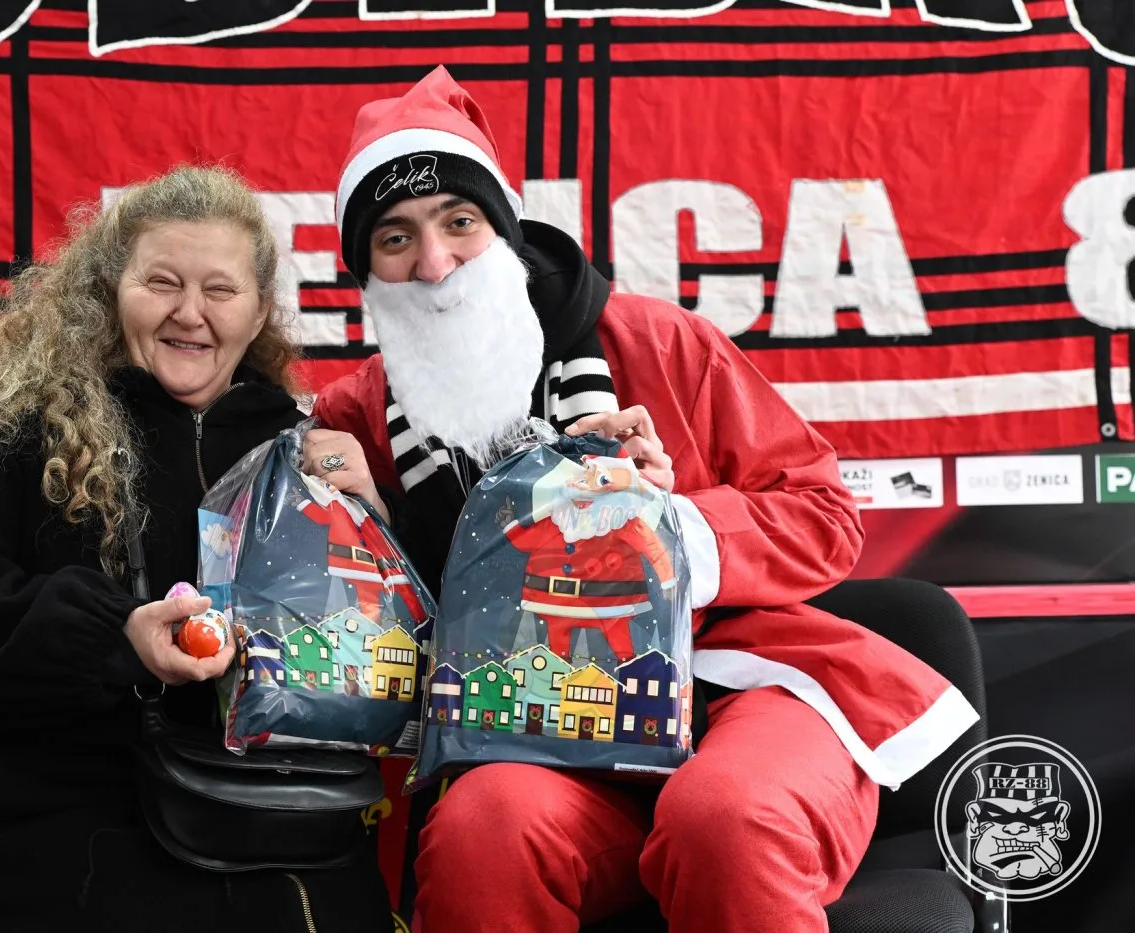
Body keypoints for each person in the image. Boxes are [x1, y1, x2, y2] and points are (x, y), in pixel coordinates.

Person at [302, 67, 982, 933]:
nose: (434, 264)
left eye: (459, 221)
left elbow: (823, 516)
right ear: (364, 270)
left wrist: (666, 521)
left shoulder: (660, 341)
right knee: (483, 827)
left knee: (726, 818)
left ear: (505, 227)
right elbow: (361, 639)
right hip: (536, 727)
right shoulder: (354, 415)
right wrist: (365, 526)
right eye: (395, 237)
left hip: (740, 687)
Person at [0, 165, 393, 933]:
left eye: (219, 290)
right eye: (162, 282)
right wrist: (113, 637)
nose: (190, 312)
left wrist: (370, 526)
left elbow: (380, 655)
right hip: (52, 818)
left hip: (279, 821)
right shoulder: (20, 432)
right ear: (112, 291)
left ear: (258, 312)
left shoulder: (302, 449)